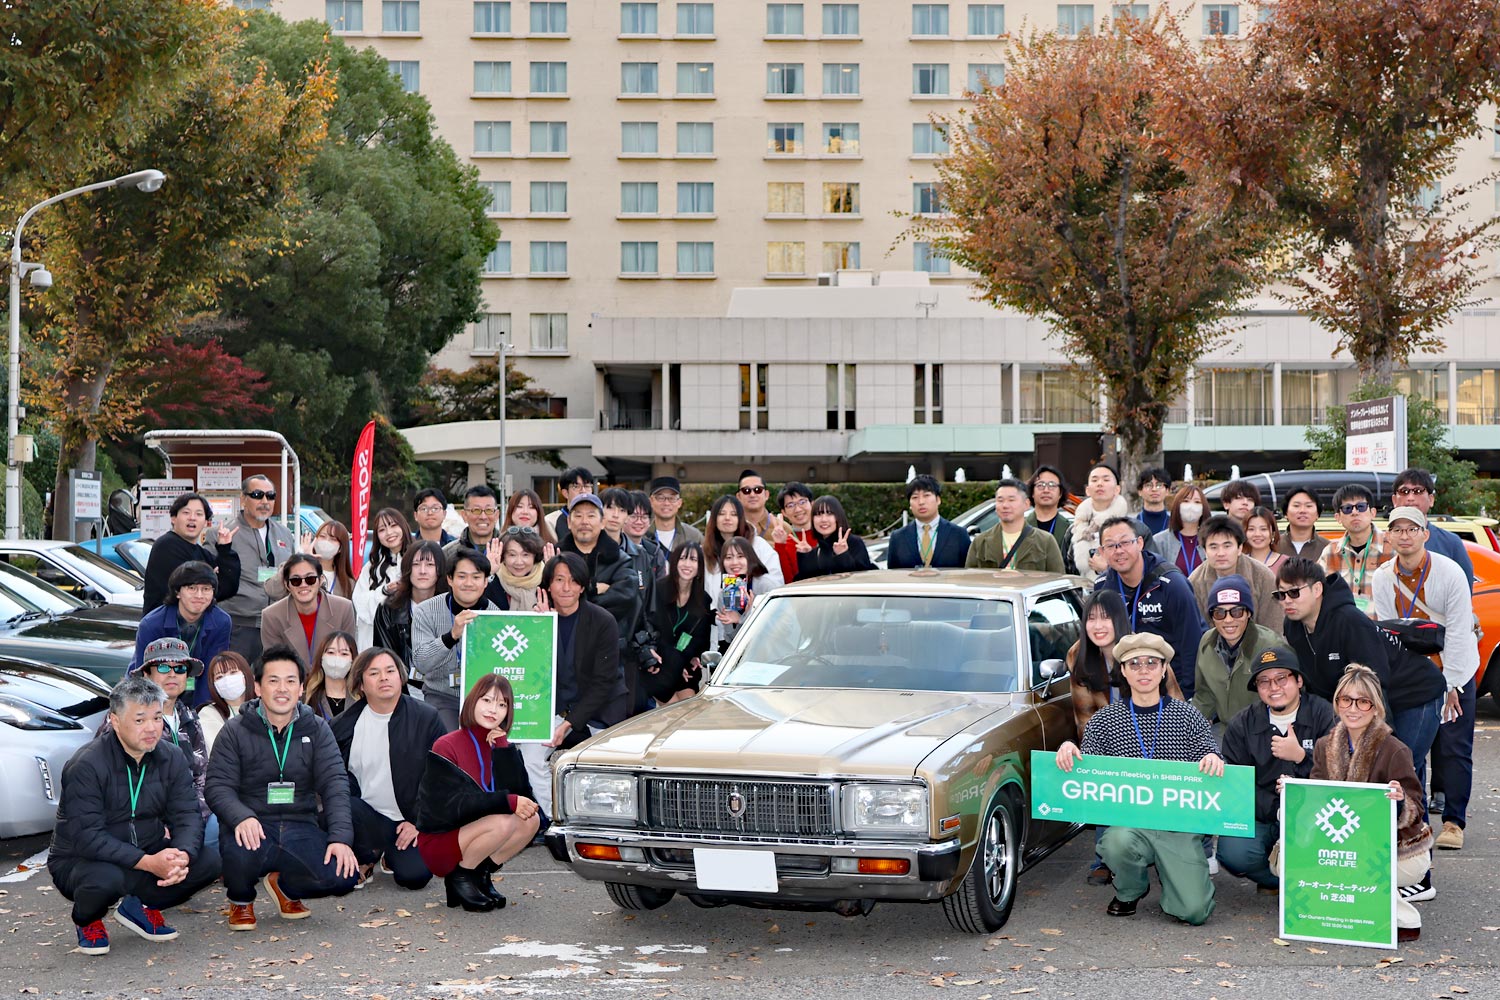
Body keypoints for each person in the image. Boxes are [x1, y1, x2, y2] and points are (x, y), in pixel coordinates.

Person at [1054, 633, 1223, 925]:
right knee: (1115, 842)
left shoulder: (1188, 716)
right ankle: (1131, 889)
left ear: (1163, 669)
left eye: (1151, 663)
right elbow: (1087, 769)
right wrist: (1069, 748)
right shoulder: (1104, 720)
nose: (1143, 670)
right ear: (1123, 671)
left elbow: (1210, 756)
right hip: (1130, 824)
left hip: (1178, 826)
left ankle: (1177, 885)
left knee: (1195, 912)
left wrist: (1213, 758)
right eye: (1134, 664)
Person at [51, 675, 221, 955]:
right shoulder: (87, 764)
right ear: (115, 721)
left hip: (147, 847)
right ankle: (87, 919)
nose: (151, 728)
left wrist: (182, 855)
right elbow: (88, 838)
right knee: (105, 880)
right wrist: (149, 863)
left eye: (157, 718)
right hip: (84, 859)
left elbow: (187, 814)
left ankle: (139, 906)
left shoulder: (171, 757)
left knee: (208, 861)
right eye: (140, 720)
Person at [205, 645, 358, 930]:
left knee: (343, 876)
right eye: (273, 680)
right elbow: (217, 786)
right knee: (240, 850)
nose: (282, 689)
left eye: (290, 681)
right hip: (253, 823)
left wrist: (340, 838)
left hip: (300, 823)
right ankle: (241, 899)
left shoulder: (317, 728)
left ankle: (285, 887)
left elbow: (335, 783)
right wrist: (241, 816)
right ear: (258, 687)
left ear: (301, 688)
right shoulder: (235, 730)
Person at [1275, 557, 1446, 796]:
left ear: (1317, 589)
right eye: (1281, 595)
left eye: (1294, 593)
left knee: (1398, 772)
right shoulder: (1293, 626)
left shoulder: (1349, 620)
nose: (1287, 601)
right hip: (1363, 700)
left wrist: (1383, 742)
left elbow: (1376, 683)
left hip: (1415, 693)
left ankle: (1413, 820)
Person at [1371, 506, 1478, 851]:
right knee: (1409, 749)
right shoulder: (1382, 576)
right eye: (1397, 530)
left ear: (1425, 534)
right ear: (1389, 536)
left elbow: (1459, 630)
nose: (1405, 536)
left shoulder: (1449, 572)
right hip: (1413, 674)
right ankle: (1414, 823)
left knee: (1454, 747)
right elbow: (1390, 631)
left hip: (1454, 667)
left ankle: (1454, 822)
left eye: (1412, 529)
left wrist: (1452, 683)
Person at [1303, 664, 1433, 942]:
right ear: (1336, 703)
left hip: (1396, 847)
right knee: (1285, 862)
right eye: (1346, 700)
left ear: (1376, 708)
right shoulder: (1324, 745)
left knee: (1357, 860)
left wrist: (1400, 802)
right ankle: (1352, 905)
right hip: (1341, 844)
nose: (1353, 708)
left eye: (1363, 701)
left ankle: (1399, 913)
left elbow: (1417, 808)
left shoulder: (1395, 749)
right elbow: (1316, 797)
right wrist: (1295, 793)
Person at [1065, 589, 1183, 886]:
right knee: (1103, 771)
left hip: (1157, 740)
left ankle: (1189, 847)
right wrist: (1093, 755)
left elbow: (1177, 707)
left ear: (1119, 619)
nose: (1098, 626)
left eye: (1105, 617)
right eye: (1091, 618)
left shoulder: (1144, 652)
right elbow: (1085, 719)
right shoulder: (1078, 656)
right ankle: (1104, 857)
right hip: (1111, 741)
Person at [416, 674, 543, 911]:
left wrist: (503, 750)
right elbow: (447, 807)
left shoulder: (500, 744)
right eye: (486, 700)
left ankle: (479, 875)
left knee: (530, 820)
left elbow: (524, 798)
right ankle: (460, 876)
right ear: (472, 701)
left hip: (481, 831)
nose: (493, 709)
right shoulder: (446, 744)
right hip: (442, 838)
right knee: (503, 821)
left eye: (502, 704)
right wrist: (506, 801)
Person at [1215, 646, 1336, 894]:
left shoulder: (1324, 714)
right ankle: (1281, 880)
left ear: (1299, 680)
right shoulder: (1242, 724)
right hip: (1263, 816)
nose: (1274, 687)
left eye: (1282, 678)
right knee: (1234, 852)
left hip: (1314, 814)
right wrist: (1277, 808)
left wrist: (1301, 757)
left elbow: (1338, 773)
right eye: (1264, 681)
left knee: (1329, 846)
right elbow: (1236, 785)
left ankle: (1314, 878)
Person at [331, 647, 445, 891]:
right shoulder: (343, 725)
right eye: (374, 673)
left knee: (414, 877)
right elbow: (332, 778)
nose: (384, 678)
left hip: (408, 818)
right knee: (339, 803)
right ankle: (366, 856)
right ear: (361, 684)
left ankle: (390, 855)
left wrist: (420, 822)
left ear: (401, 677)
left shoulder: (426, 718)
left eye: (390, 671)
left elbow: (442, 776)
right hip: (366, 816)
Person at [523, 553, 628, 815]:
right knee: (530, 756)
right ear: (548, 585)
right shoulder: (538, 621)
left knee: (605, 764)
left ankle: (601, 818)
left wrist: (569, 724)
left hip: (599, 707)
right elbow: (531, 673)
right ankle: (554, 816)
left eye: (573, 580)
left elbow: (604, 682)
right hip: (554, 709)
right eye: (559, 580)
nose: (566, 587)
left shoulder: (603, 621)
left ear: (582, 586)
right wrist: (541, 628)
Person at [1094, 516, 1206, 699]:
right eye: (1111, 545)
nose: (1119, 550)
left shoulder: (1172, 584)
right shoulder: (1102, 587)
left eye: (1125, 542)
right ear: (1102, 551)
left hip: (1171, 685)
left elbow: (1191, 643)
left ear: (1139, 543)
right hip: (1127, 687)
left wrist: (1187, 696)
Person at [412, 548, 502, 730]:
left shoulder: (496, 616)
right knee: (447, 738)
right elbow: (421, 662)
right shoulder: (425, 611)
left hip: (484, 697)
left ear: (485, 581)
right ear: (450, 579)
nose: (468, 583)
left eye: (476, 577)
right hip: (441, 695)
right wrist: (451, 636)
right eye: (462, 576)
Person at [132, 561, 233, 707]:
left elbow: (211, 671)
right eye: (192, 588)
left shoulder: (221, 621)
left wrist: (201, 712)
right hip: (159, 685)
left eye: (206, 589)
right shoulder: (151, 624)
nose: (199, 595)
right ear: (177, 592)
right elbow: (143, 674)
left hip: (197, 686)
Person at [1191, 575, 1283, 735]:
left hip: (1266, 731)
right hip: (1226, 731)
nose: (1228, 620)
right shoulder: (1206, 643)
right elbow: (1205, 695)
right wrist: (1187, 727)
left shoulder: (1271, 646)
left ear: (1248, 613)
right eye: (1219, 613)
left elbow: (1289, 697)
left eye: (1237, 612)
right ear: (1212, 617)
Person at [221, 476, 296, 662]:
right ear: (243, 499)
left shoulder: (285, 534)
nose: (265, 501)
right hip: (240, 625)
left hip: (278, 625)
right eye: (257, 495)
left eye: (270, 496)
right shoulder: (225, 534)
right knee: (238, 677)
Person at [142, 492, 241, 613]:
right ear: (173, 518)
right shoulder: (167, 545)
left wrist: (224, 548)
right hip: (166, 622)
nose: (192, 518)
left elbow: (228, 587)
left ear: (206, 522)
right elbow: (193, 589)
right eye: (186, 512)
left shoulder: (200, 552)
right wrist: (212, 578)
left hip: (194, 622)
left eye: (199, 514)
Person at [260, 554, 358, 676]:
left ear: (321, 580)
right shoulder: (271, 616)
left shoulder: (344, 608)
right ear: (287, 585)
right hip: (293, 683)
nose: (303, 585)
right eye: (296, 580)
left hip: (332, 680)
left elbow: (348, 657)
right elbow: (274, 665)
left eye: (310, 579)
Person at [1187, 516, 1283, 632]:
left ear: (1239, 548)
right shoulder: (1194, 581)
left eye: (1227, 546)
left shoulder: (1263, 576)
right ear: (1205, 551)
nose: (1221, 553)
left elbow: (1274, 627)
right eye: (1213, 547)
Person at [646, 541, 713, 704]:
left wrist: (685, 660)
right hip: (658, 664)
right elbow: (649, 629)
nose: (687, 564)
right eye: (683, 558)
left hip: (684, 662)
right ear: (675, 561)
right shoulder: (657, 590)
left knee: (691, 707)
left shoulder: (703, 599)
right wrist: (674, 664)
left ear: (699, 567)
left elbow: (701, 640)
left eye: (693, 560)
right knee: (675, 712)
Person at [374, 541, 448, 676]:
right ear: (407, 568)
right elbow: (384, 655)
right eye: (416, 564)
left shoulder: (450, 606)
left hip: (442, 684)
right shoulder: (388, 609)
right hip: (401, 683)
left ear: (440, 570)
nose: (422, 571)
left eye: (430, 565)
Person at [1392, 467, 1475, 587]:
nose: (1410, 498)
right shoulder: (1381, 542)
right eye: (1404, 491)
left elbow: (1464, 590)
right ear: (1394, 500)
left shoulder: (1451, 543)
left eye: (1418, 491)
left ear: (1431, 499)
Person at [1316, 484, 1392, 611]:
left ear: (1373, 513)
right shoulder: (1330, 553)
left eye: (1361, 507)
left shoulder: (1393, 547)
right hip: (1342, 623)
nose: (1355, 512)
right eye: (1347, 508)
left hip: (1382, 623)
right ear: (1338, 517)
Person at [966, 478, 1065, 573]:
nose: (1005, 505)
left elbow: (1058, 578)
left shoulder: (1045, 541)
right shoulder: (980, 542)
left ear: (1026, 504)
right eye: (1000, 500)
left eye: (1011, 500)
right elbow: (971, 579)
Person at [352, 508, 412, 650]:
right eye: (382, 530)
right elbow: (359, 602)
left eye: (393, 525)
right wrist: (383, 592)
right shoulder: (372, 566)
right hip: (374, 640)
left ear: (403, 526)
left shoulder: (416, 560)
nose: (389, 533)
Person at [887, 475, 970, 569]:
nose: (921, 502)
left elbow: (968, 572)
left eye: (926, 495)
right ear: (910, 504)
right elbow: (892, 573)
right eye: (915, 497)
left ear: (938, 500)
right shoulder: (898, 538)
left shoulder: (959, 534)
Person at [703, 494, 785, 589]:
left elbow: (775, 582)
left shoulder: (759, 545)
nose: (727, 518)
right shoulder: (706, 550)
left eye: (734, 514)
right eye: (721, 513)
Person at [1069, 464, 1129, 584]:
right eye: (1094, 480)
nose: (1100, 484)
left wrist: (1108, 568)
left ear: (1117, 489)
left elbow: (1143, 568)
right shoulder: (1076, 528)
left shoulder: (1132, 527)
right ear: (1087, 490)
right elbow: (1068, 568)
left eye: (1106, 480)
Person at [798, 495, 875, 578]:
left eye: (829, 513)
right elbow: (807, 582)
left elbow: (862, 578)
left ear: (839, 516)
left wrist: (842, 555)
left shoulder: (854, 543)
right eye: (818, 514)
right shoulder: (817, 551)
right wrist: (805, 557)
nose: (824, 519)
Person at [199, 651, 254, 753]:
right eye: (219, 677)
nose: (227, 680)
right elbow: (220, 752)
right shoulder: (209, 714)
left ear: (246, 674)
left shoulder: (264, 707)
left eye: (233, 672)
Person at [1148, 483, 1207, 577]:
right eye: (1186, 501)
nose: (1191, 506)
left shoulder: (1210, 540)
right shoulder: (1160, 541)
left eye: (1197, 502)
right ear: (1177, 505)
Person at [305, 631, 358, 721]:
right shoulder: (307, 697)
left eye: (344, 654)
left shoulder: (361, 698)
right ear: (321, 658)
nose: (336, 658)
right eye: (331, 652)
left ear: (353, 660)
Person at [1025, 466, 1074, 562]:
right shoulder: (1021, 526)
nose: (1046, 490)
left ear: (1060, 493)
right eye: (1040, 485)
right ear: (1032, 492)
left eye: (1052, 485)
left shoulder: (1071, 529)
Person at [444, 485, 502, 565]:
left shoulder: (509, 550)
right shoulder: (448, 554)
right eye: (476, 510)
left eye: (488, 510)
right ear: (464, 515)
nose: (483, 517)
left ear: (497, 515)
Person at [770, 482, 817, 583]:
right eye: (790, 505)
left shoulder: (826, 535)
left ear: (812, 504)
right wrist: (780, 545)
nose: (798, 509)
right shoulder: (786, 543)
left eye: (802, 502)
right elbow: (788, 582)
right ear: (784, 512)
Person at [494, 527, 545, 612]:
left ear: (535, 557)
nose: (519, 562)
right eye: (512, 555)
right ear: (503, 557)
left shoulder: (547, 582)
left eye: (525, 555)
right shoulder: (492, 582)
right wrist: (489, 572)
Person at [300, 519, 354, 599]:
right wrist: (301, 559)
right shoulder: (300, 568)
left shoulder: (348, 584)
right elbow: (279, 590)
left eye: (333, 539)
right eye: (322, 536)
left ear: (340, 548)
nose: (326, 541)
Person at [648, 475, 703, 554]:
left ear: (679, 503)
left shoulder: (693, 536)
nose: (666, 503)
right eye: (660, 498)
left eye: (672, 498)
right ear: (651, 501)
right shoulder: (643, 535)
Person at [1274, 487, 1328, 561]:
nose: (1302, 510)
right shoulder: (1273, 546)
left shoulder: (1328, 548)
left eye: (1308, 506)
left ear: (1317, 514)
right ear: (1286, 513)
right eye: (1296, 506)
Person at [624, 490, 667, 580]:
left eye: (644, 517)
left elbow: (661, 585)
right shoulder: (614, 549)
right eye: (634, 516)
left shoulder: (655, 553)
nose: (639, 522)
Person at [545, 467, 597, 541]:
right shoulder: (550, 521)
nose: (583, 491)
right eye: (576, 486)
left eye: (587, 486)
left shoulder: (599, 518)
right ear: (565, 493)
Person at [736, 469, 777, 541]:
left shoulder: (783, 528)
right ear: (738, 497)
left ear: (766, 495)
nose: (752, 495)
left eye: (758, 490)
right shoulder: (730, 527)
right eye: (746, 490)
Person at [1243, 505, 1285, 574]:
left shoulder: (1286, 564)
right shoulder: (1237, 563)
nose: (1257, 534)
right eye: (1251, 529)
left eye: (1263, 529)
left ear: (1273, 533)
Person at [1136, 468, 1173, 536]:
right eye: (1148, 485)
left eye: (1159, 485)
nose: (1154, 489)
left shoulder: (1175, 524)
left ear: (1167, 491)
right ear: (1140, 491)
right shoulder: (1131, 524)